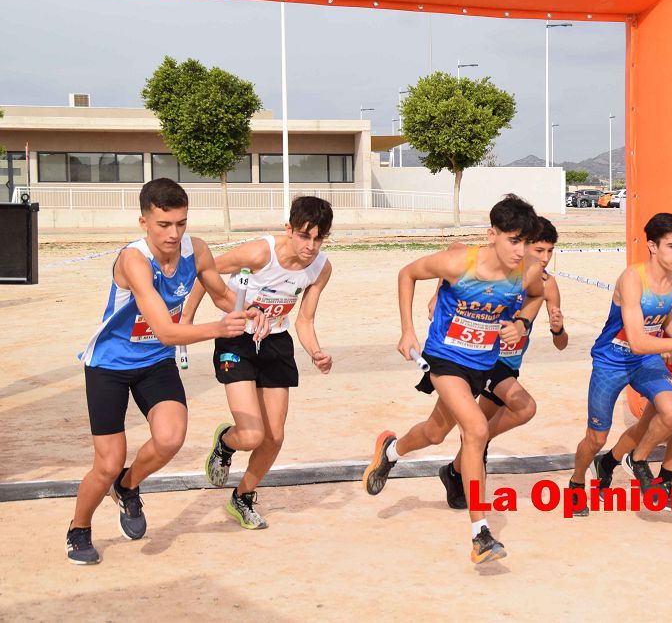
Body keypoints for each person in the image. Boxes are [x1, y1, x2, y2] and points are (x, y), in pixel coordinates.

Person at [67, 178, 268, 565]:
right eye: (164, 225)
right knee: (106, 461)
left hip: (154, 362)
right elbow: (165, 330)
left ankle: (127, 486)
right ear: (144, 222)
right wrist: (219, 328)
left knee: (170, 439)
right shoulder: (133, 260)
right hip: (108, 366)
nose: (173, 234)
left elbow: (223, 295)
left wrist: (250, 309)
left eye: (181, 223)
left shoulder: (198, 250)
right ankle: (78, 529)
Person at [361, 194, 545, 564]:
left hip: (483, 363)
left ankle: (390, 451)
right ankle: (481, 533)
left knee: (433, 433)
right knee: (476, 429)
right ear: (491, 234)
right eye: (513, 240)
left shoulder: (526, 271)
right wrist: (407, 331)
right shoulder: (459, 263)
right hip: (445, 358)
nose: (520, 250)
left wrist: (522, 322)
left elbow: (537, 296)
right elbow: (407, 274)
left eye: (526, 242)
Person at [181, 196, 334, 529]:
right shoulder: (259, 253)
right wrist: (187, 321)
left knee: (274, 437)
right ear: (289, 229)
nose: (310, 246)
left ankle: (243, 497)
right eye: (304, 236)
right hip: (237, 337)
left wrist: (316, 353)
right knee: (251, 435)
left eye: (318, 238)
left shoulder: (321, 268)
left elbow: (305, 320)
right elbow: (204, 271)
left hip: (276, 342)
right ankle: (225, 443)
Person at [568, 213, 672, 517]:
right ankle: (576, 480)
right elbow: (636, 340)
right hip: (612, 360)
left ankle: (637, 460)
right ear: (651, 246)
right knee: (596, 438)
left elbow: (664, 316)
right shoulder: (633, 279)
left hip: (646, 359)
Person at [434, 217, 569, 510]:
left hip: (509, 365)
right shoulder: (496, 268)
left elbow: (561, 344)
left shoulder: (547, 285)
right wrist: (438, 292)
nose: (545, 258)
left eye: (550, 251)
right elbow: (455, 249)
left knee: (473, 428)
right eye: (539, 250)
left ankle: (457, 467)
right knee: (523, 407)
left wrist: (558, 328)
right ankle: (469, 456)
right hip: (481, 358)